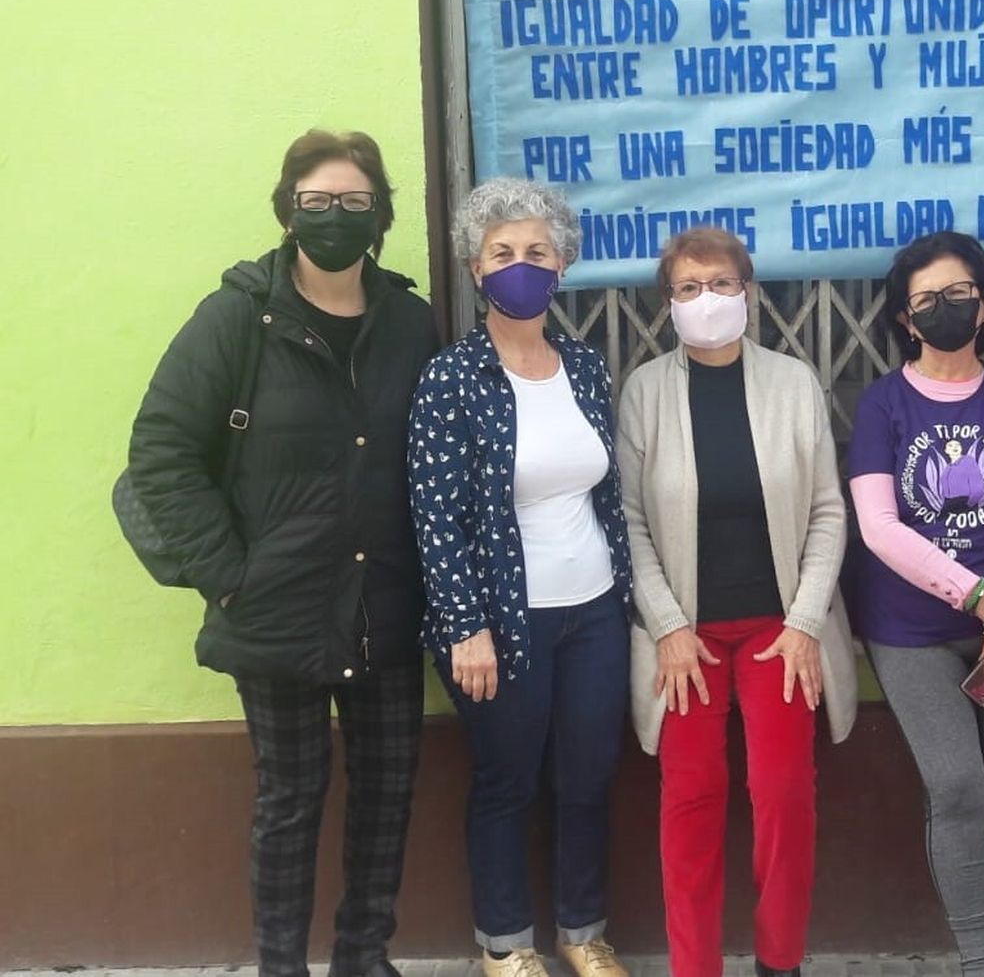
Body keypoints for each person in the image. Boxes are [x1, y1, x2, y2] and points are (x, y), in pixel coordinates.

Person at [124, 130, 440, 977]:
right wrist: (228, 577)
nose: (336, 217)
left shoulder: (411, 323)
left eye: (354, 202)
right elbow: (161, 451)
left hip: (385, 609)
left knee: (385, 798)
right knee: (290, 802)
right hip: (276, 611)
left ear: (380, 216)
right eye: (317, 202)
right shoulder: (236, 317)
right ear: (288, 211)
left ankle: (364, 956)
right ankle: (279, 964)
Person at [616, 227, 857, 977]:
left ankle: (779, 960)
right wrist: (667, 625)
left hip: (780, 631)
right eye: (687, 289)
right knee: (690, 800)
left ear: (748, 293)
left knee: (784, 795)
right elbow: (626, 522)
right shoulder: (646, 391)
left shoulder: (793, 383)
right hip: (683, 635)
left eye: (721, 284)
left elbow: (827, 510)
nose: (706, 301)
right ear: (667, 306)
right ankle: (697, 967)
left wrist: (806, 621)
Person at [407, 178, 632, 977]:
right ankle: (505, 946)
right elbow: (437, 516)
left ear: (562, 266)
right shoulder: (452, 378)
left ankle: (583, 933)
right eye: (502, 253)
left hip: (594, 610)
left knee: (587, 777)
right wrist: (466, 625)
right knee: (506, 782)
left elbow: (605, 489)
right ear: (476, 270)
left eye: (537, 252)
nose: (520, 266)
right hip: (503, 619)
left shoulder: (582, 366)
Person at [846, 231, 984, 977]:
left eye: (959, 294)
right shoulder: (882, 405)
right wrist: (983, 602)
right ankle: (980, 961)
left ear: (983, 305)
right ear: (905, 320)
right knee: (958, 787)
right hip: (913, 630)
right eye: (926, 300)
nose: (946, 308)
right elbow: (879, 529)